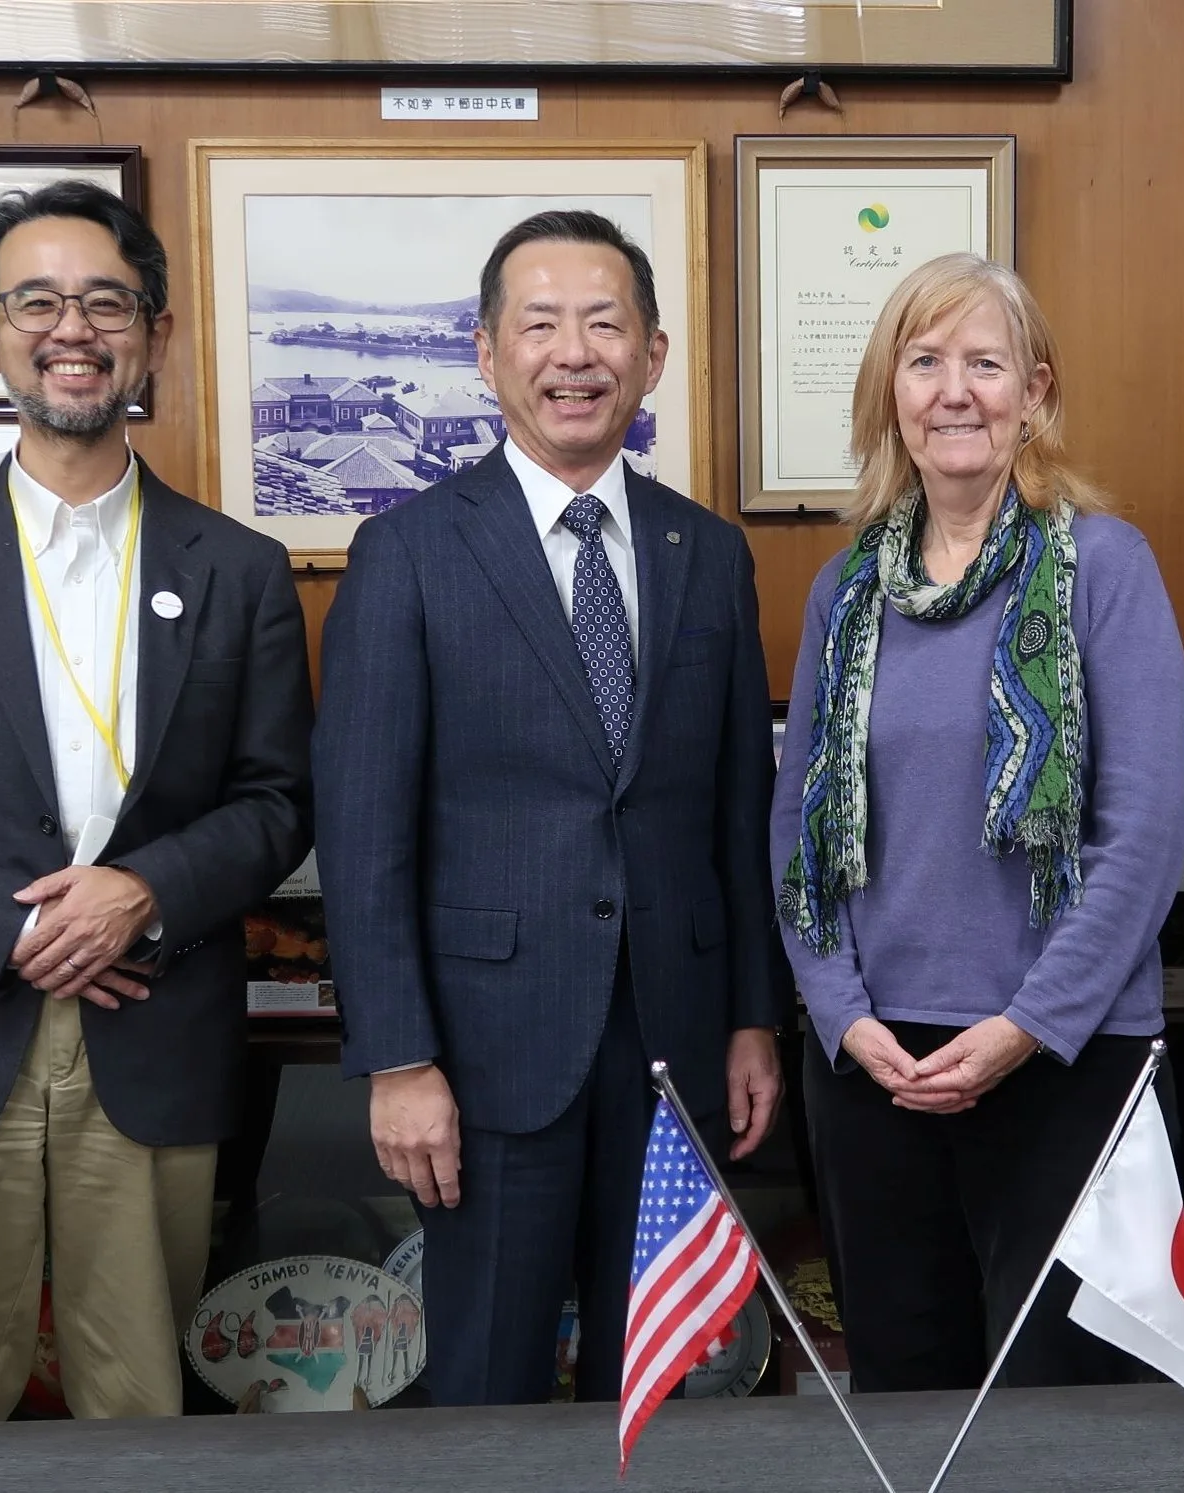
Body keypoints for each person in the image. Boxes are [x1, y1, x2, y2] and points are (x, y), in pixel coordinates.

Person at [0, 180, 314, 1423]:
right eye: (35, 302)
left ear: (153, 333)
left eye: (105, 302)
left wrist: (143, 890)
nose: (71, 329)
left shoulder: (238, 569)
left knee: (138, 1395)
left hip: (153, 1020)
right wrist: (14, 922)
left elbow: (278, 797)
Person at [315, 210, 787, 1407]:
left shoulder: (707, 552)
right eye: (539, 325)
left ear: (652, 354)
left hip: (676, 1035)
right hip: (485, 1049)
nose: (574, 353)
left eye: (604, 324)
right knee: (487, 1383)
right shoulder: (407, 553)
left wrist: (751, 1016)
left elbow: (738, 812)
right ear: (487, 354)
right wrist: (398, 1056)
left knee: (661, 1384)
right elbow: (363, 833)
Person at [771, 253, 1184, 1392]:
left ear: (1034, 391)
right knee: (906, 1396)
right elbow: (796, 832)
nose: (954, 390)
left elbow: (1146, 833)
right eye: (923, 362)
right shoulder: (846, 588)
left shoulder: (1105, 566)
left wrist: (1026, 1025)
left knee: (1065, 1412)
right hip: (875, 1068)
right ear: (890, 394)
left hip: (1064, 1057)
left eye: (985, 363)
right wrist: (841, 1015)